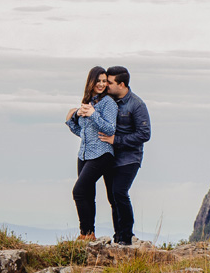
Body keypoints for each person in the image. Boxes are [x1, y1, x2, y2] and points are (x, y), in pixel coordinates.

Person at [99, 66, 151, 246]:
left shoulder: (136, 105)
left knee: (120, 193)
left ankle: (127, 237)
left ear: (121, 84)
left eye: (110, 82)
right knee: (113, 198)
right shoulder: (106, 101)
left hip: (129, 158)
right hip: (109, 157)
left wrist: (116, 140)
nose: (106, 85)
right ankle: (118, 236)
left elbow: (144, 134)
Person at [65, 67, 117, 241]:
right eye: (99, 81)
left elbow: (110, 129)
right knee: (88, 194)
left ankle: (85, 232)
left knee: (78, 191)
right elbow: (81, 132)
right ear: (91, 82)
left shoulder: (108, 103)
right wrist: (74, 117)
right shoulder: (88, 101)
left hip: (102, 153)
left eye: (104, 81)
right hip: (84, 154)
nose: (101, 84)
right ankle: (89, 234)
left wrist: (93, 114)